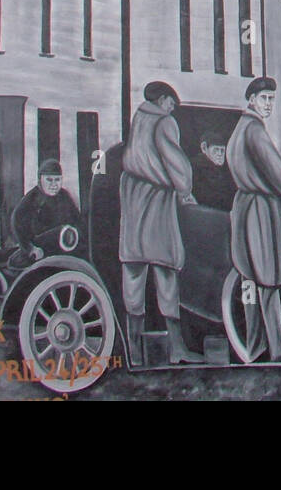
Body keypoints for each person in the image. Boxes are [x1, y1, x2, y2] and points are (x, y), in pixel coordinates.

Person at [228, 77, 281, 362]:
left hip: (243, 206)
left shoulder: (240, 129)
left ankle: (254, 349)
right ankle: (278, 350)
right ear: (251, 99)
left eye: (272, 99)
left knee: (249, 280)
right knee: (267, 279)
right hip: (258, 208)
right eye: (264, 98)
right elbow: (277, 171)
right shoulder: (254, 130)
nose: (269, 104)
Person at [120, 80, 200, 366]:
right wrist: (185, 191)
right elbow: (176, 162)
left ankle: (134, 351)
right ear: (164, 100)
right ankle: (177, 348)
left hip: (133, 199)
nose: (172, 108)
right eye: (171, 103)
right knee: (166, 273)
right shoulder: (164, 123)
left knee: (133, 275)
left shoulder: (138, 120)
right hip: (156, 202)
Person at [11, 158, 82, 263]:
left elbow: (77, 221)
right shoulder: (32, 199)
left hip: (63, 252)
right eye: (49, 180)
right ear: (40, 180)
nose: (54, 184)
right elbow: (16, 223)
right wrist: (30, 249)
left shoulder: (65, 196)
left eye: (57, 180)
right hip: (38, 254)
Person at [189, 124, 236, 211]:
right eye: (216, 150)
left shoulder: (220, 169)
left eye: (222, 150)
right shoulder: (197, 168)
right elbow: (206, 197)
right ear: (204, 148)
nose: (219, 154)